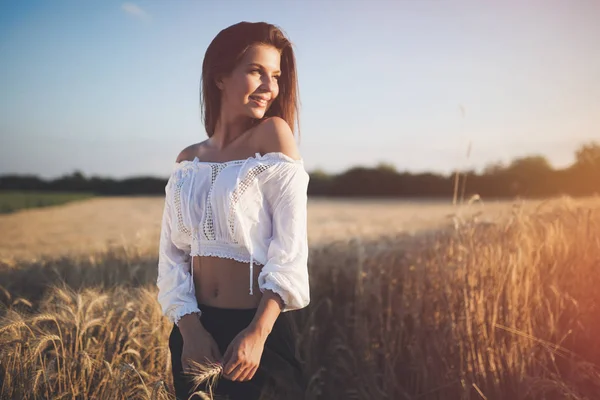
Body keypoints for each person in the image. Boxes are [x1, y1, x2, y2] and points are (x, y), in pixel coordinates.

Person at [156, 21, 310, 400]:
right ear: (220, 76)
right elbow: (172, 256)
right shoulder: (188, 159)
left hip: (255, 334)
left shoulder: (274, 136)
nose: (270, 87)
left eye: (275, 76)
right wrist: (190, 331)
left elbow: (289, 252)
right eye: (256, 71)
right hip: (195, 334)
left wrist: (258, 334)